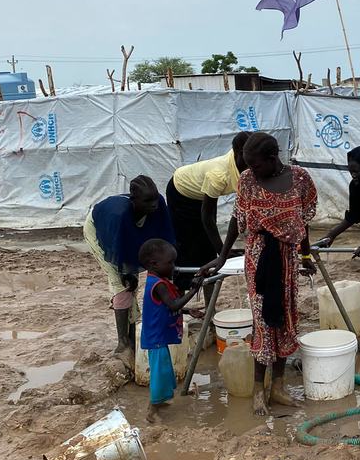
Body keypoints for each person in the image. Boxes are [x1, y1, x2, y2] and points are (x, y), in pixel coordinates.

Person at [200, 132, 317, 416]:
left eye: (257, 165)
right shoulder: (248, 182)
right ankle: (257, 390)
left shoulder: (300, 179)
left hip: (287, 260)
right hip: (259, 258)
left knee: (285, 320)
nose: (252, 170)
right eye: (248, 165)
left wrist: (305, 254)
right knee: (263, 322)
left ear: (273, 158)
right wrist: (222, 256)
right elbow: (237, 221)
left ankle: (278, 386)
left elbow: (303, 221)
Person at [83, 175, 175, 361]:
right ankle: (123, 342)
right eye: (148, 201)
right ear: (134, 200)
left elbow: (165, 237)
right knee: (122, 284)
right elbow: (116, 247)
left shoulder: (159, 205)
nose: (154, 205)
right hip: (101, 232)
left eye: (155, 199)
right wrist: (125, 271)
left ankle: (133, 331)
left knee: (133, 283)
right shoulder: (118, 215)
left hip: (130, 233)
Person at [167, 131, 250, 301]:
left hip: (201, 194)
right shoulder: (219, 175)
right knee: (186, 247)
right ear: (240, 154)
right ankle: (179, 305)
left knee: (207, 248)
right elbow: (207, 217)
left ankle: (210, 309)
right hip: (181, 192)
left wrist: (221, 250)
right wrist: (223, 252)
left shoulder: (244, 164)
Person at [138, 238, 205, 423]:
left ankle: (160, 401)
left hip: (158, 336)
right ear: (154, 264)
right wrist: (193, 291)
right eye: (170, 263)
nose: (174, 267)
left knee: (165, 371)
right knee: (159, 373)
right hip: (155, 337)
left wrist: (187, 310)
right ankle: (152, 410)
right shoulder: (157, 284)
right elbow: (173, 303)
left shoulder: (159, 280)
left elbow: (167, 307)